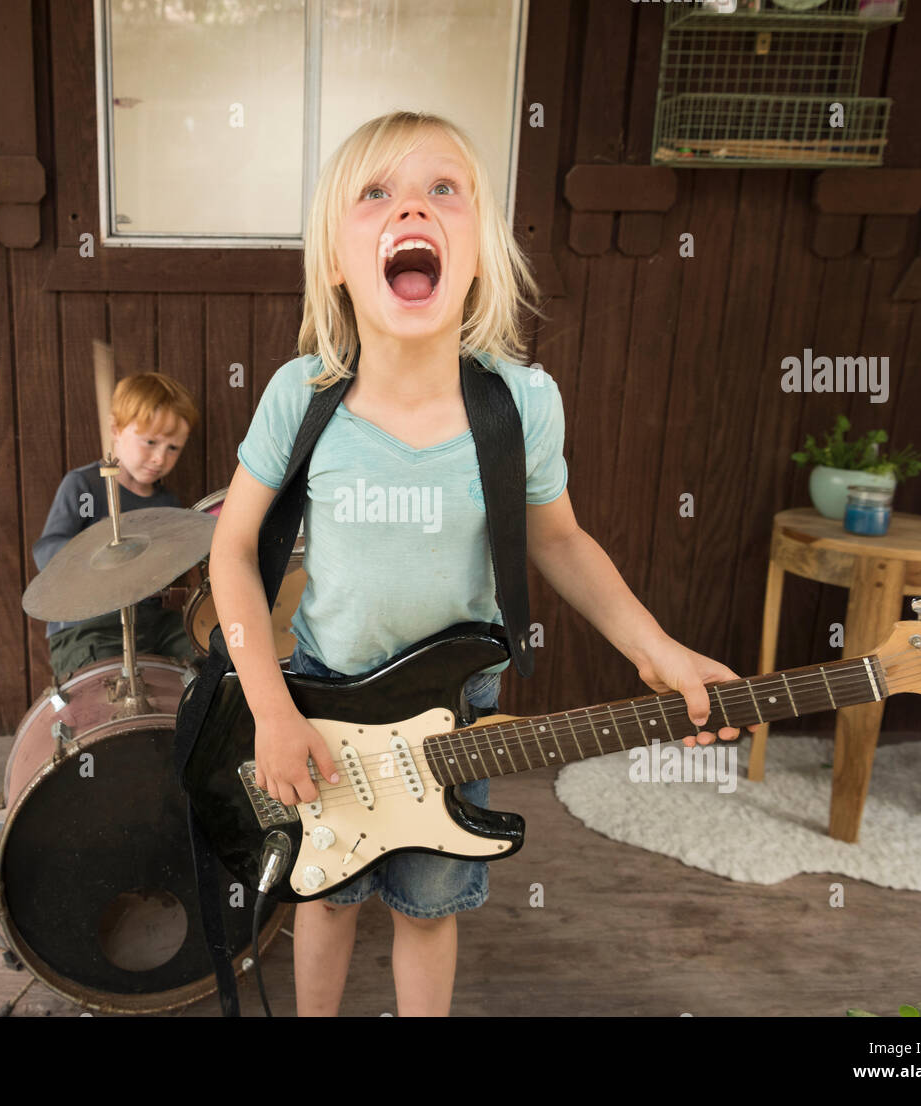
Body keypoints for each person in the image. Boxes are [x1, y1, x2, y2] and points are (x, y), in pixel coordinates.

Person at [207, 111, 757, 1017]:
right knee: (326, 896)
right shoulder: (302, 396)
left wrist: (655, 648)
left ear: (479, 255)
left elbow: (561, 538)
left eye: (442, 191)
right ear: (338, 260)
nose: (411, 210)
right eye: (375, 194)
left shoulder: (520, 403)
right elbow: (232, 545)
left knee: (429, 906)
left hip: (457, 712)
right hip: (320, 699)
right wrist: (271, 706)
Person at [33, 371, 199, 681]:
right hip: (87, 627)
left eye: (173, 448)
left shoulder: (168, 503)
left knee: (206, 653)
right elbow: (46, 552)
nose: (160, 458)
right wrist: (97, 547)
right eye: (150, 442)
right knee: (108, 683)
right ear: (115, 429)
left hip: (153, 622)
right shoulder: (83, 485)